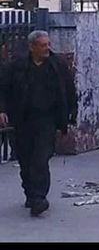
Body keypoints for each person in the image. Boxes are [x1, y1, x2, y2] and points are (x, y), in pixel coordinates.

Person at [0, 30, 77, 216]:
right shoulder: (18, 66)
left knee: (40, 159)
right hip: (23, 119)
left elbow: (68, 89)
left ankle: (39, 197)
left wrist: (71, 114)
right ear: (32, 47)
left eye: (47, 44)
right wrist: (2, 110)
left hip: (47, 120)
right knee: (25, 159)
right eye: (43, 45)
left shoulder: (56, 65)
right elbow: (4, 88)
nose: (47, 48)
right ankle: (30, 193)